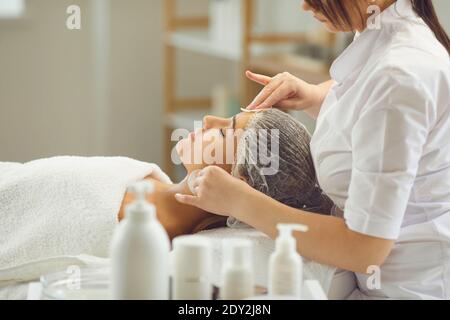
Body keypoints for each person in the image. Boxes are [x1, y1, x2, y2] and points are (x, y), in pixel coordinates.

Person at [176, 0, 450, 299]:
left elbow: (365, 248)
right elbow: (370, 115)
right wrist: (317, 96)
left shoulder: (399, 76)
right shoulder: (380, 39)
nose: (305, 7)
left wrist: (241, 203)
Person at [120, 109, 333, 240]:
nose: (208, 119)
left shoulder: (144, 231)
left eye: (224, 132)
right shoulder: (135, 173)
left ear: (239, 180)